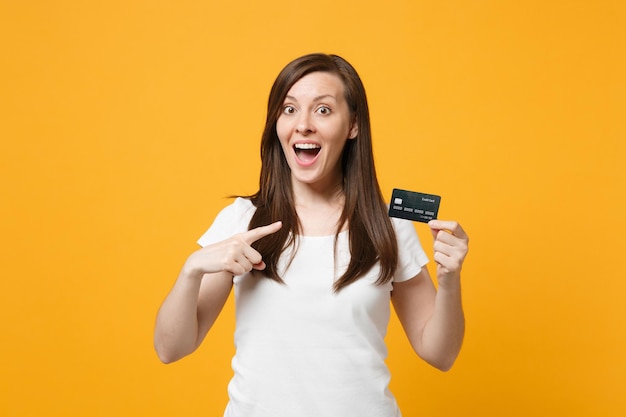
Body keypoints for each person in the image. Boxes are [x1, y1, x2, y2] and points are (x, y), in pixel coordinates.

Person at [154, 53, 469, 417]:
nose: (302, 125)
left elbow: (440, 354)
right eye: (289, 110)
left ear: (352, 125)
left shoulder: (388, 225)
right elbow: (170, 349)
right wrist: (191, 269)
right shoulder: (243, 220)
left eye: (322, 110)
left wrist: (450, 281)